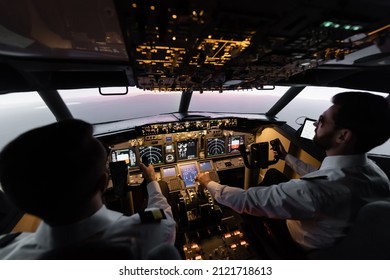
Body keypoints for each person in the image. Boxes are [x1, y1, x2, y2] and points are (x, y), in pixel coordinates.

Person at [197, 91, 390, 251]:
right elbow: (322, 175)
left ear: (343, 135)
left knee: (247, 212)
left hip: (298, 245)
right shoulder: (375, 173)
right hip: (338, 242)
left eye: (322, 121)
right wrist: (286, 157)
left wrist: (208, 182)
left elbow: (245, 201)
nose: (315, 124)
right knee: (274, 175)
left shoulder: (314, 191)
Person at [0, 119, 177, 259]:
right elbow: (166, 216)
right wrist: (152, 180)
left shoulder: (7, 249)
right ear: (102, 183)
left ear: (24, 205)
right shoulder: (148, 233)